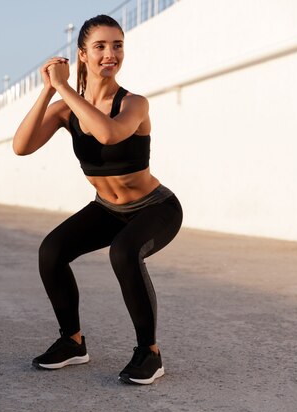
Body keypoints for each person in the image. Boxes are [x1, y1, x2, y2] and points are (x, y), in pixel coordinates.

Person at [12, 14, 183, 385]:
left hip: (155, 207)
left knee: (124, 252)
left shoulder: (134, 104)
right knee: (51, 251)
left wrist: (66, 90)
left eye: (117, 45)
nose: (111, 53)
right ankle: (72, 342)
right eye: (101, 46)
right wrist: (48, 91)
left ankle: (149, 353)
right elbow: (21, 146)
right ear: (83, 55)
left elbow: (108, 135)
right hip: (107, 208)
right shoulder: (65, 109)